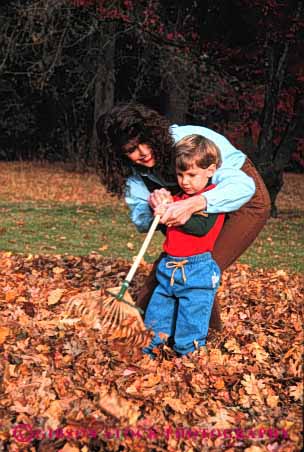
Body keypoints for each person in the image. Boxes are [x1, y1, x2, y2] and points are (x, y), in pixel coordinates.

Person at [96, 103, 271, 331]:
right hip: (197, 210)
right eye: (131, 149)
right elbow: (141, 221)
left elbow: (241, 186)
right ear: (118, 154)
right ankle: (141, 331)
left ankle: (204, 338)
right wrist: (152, 205)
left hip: (245, 201)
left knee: (198, 268)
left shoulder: (189, 143)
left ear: (154, 133)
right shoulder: (133, 175)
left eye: (144, 142)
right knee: (169, 267)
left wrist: (193, 203)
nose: (143, 152)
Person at [143, 134, 224, 356]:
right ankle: (149, 353)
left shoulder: (213, 198)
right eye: (180, 174)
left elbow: (200, 228)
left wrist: (177, 213)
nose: (185, 181)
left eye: (191, 174)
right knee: (156, 317)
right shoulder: (176, 198)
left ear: (210, 170)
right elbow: (163, 225)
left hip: (197, 269)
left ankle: (188, 358)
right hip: (169, 267)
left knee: (191, 321)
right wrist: (158, 208)